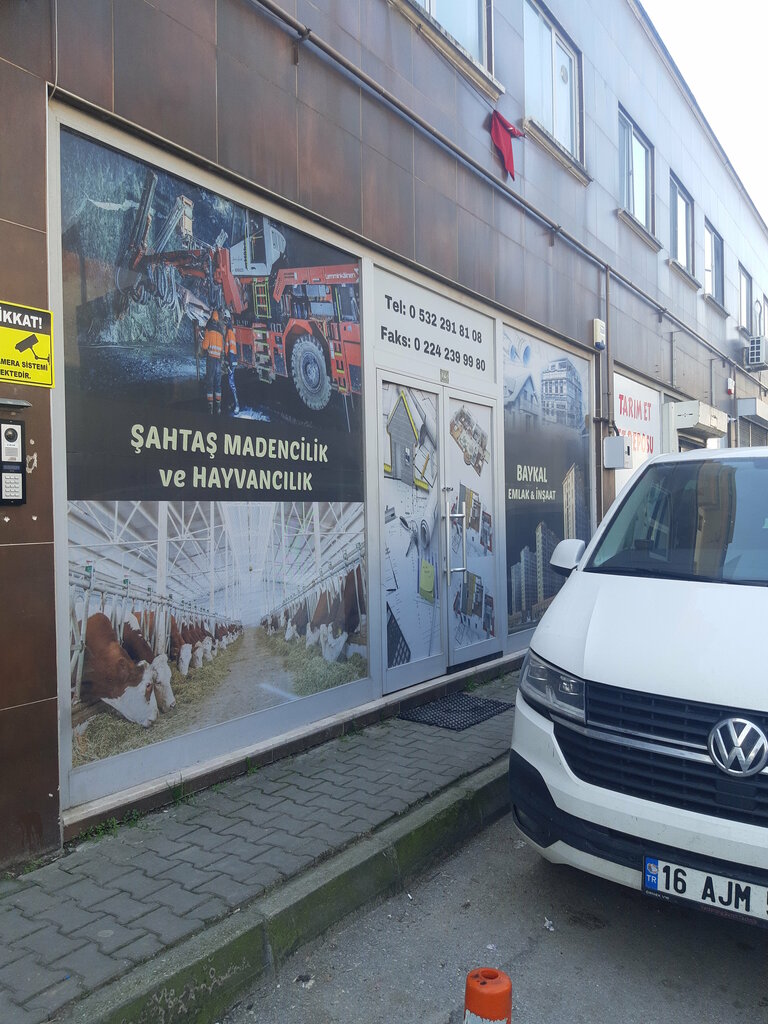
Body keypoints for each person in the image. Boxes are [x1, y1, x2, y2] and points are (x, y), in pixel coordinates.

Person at [201, 308, 225, 414]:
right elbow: (222, 349)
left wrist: (203, 338)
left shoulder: (209, 329)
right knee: (218, 383)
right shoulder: (220, 333)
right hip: (218, 361)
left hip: (211, 359)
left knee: (210, 383)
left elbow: (205, 346)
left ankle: (210, 408)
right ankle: (219, 407)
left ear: (211, 318)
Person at [223, 310, 240, 415]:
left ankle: (237, 405)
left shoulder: (229, 333)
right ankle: (231, 403)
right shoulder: (229, 331)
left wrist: (230, 362)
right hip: (230, 360)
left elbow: (232, 349)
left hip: (231, 361)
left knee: (231, 384)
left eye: (225, 319)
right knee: (229, 383)